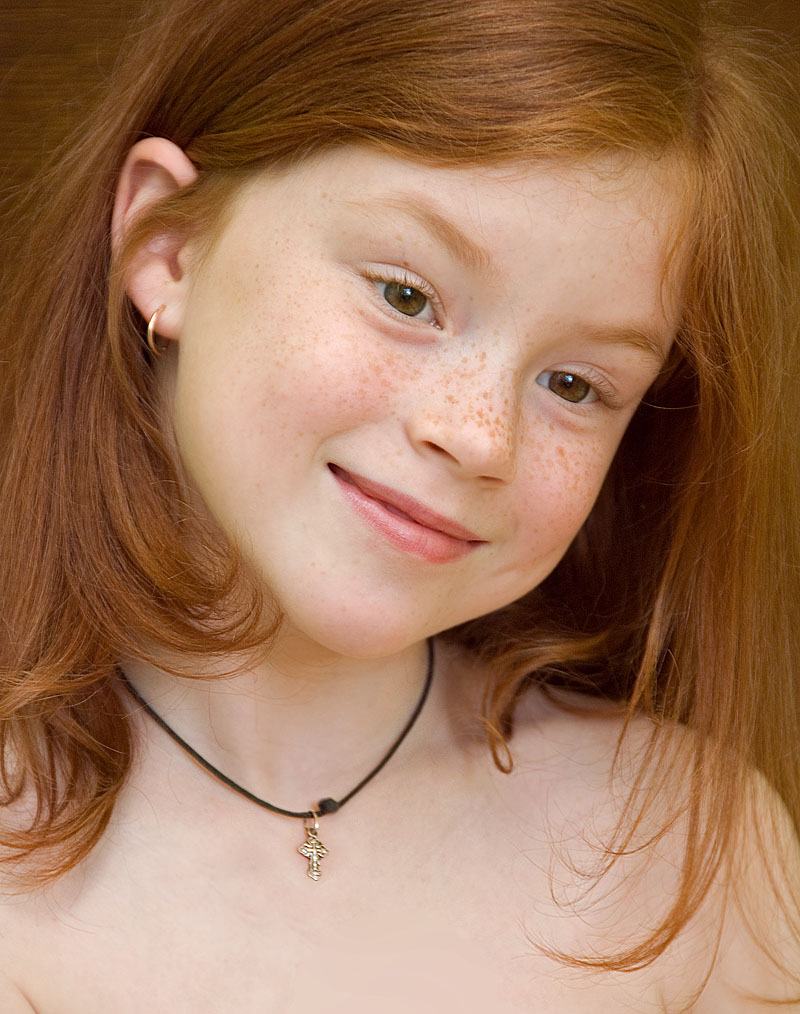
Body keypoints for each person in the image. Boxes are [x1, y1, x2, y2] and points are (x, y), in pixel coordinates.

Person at [0, 0, 798, 1009]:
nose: (480, 436)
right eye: (406, 296)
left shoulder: (682, 853)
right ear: (169, 250)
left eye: (572, 384)